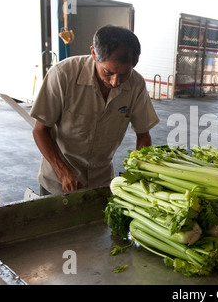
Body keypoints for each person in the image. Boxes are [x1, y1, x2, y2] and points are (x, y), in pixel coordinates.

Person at [30, 25, 159, 196]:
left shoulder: (136, 84)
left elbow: (143, 134)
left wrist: (139, 171)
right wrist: (64, 173)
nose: (115, 82)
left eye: (124, 74)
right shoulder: (63, 75)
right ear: (93, 54)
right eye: (108, 72)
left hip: (101, 180)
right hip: (58, 181)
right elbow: (40, 131)